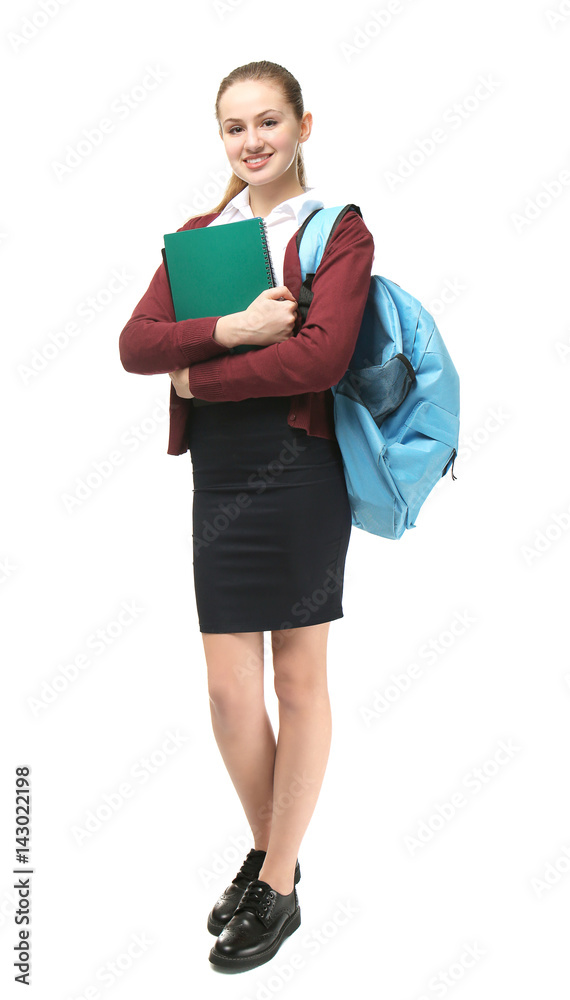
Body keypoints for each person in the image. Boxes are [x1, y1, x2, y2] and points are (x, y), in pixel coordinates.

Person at [118, 59, 374, 974]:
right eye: (235, 128)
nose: (253, 141)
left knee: (299, 681)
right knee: (230, 690)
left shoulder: (337, 231)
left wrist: (199, 375)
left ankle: (271, 879)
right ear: (222, 138)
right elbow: (135, 345)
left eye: (270, 122)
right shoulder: (200, 236)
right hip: (223, 481)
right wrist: (232, 329)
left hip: (305, 470)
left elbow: (321, 359)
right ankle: (283, 870)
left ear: (305, 124)